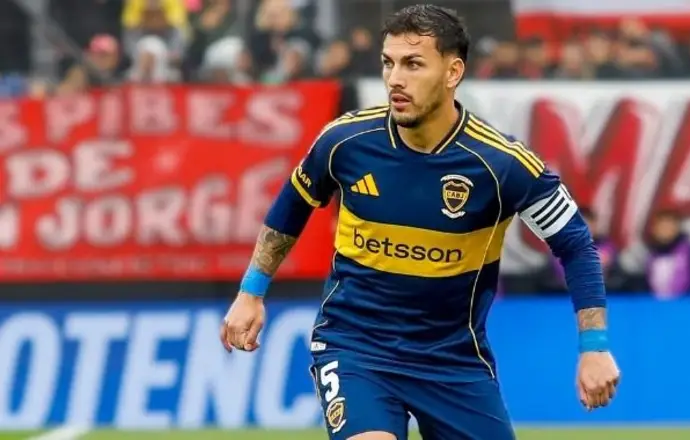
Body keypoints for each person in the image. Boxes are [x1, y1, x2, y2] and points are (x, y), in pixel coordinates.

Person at [221, 5, 620, 440]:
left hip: (453, 362)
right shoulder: (345, 142)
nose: (395, 78)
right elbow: (291, 207)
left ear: (453, 72)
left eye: (413, 64)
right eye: (388, 63)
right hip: (356, 348)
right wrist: (251, 292)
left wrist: (594, 346)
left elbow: (575, 244)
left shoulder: (502, 165)